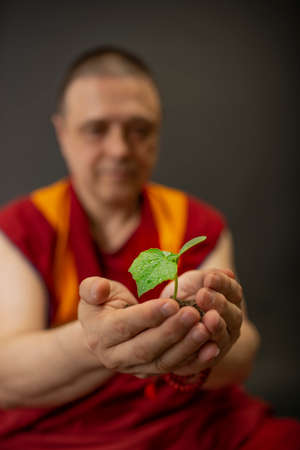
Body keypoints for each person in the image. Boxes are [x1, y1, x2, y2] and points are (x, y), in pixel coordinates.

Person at [0, 46, 299, 450]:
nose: (120, 149)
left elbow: (242, 352)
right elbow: (6, 375)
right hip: (64, 433)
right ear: (62, 133)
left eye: (139, 129)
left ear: (158, 132)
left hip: (196, 424)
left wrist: (209, 331)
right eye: (96, 129)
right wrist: (96, 341)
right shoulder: (21, 227)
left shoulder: (198, 223)